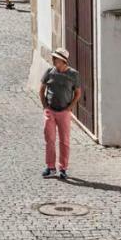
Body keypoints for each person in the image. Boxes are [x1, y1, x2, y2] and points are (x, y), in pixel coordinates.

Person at [40, 47, 82, 179]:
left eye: (56, 59)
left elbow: (78, 93)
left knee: (64, 141)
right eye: (53, 58)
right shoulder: (49, 72)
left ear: (63, 61)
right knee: (50, 140)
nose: (53, 60)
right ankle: (50, 167)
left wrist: (70, 107)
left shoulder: (73, 75)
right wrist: (45, 106)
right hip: (50, 111)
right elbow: (42, 90)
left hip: (64, 111)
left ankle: (63, 168)